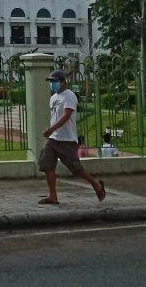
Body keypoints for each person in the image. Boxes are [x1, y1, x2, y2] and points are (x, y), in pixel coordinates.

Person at [39, 69, 106, 205]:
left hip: (67, 139)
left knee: (75, 168)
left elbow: (66, 115)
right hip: (53, 138)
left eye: (54, 81)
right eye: (51, 82)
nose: (52, 84)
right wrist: (52, 131)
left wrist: (51, 129)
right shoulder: (53, 98)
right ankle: (53, 196)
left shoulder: (69, 96)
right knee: (46, 164)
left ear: (63, 82)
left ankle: (96, 185)